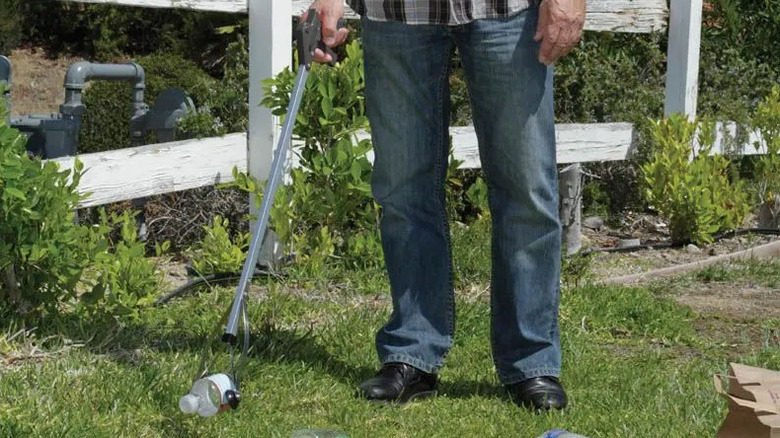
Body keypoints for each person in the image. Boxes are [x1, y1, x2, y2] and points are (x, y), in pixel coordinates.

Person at [304, 0, 586, 411]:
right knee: (403, 189)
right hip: (397, 13)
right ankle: (412, 355)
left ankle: (532, 361)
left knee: (526, 187)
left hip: (509, 11)